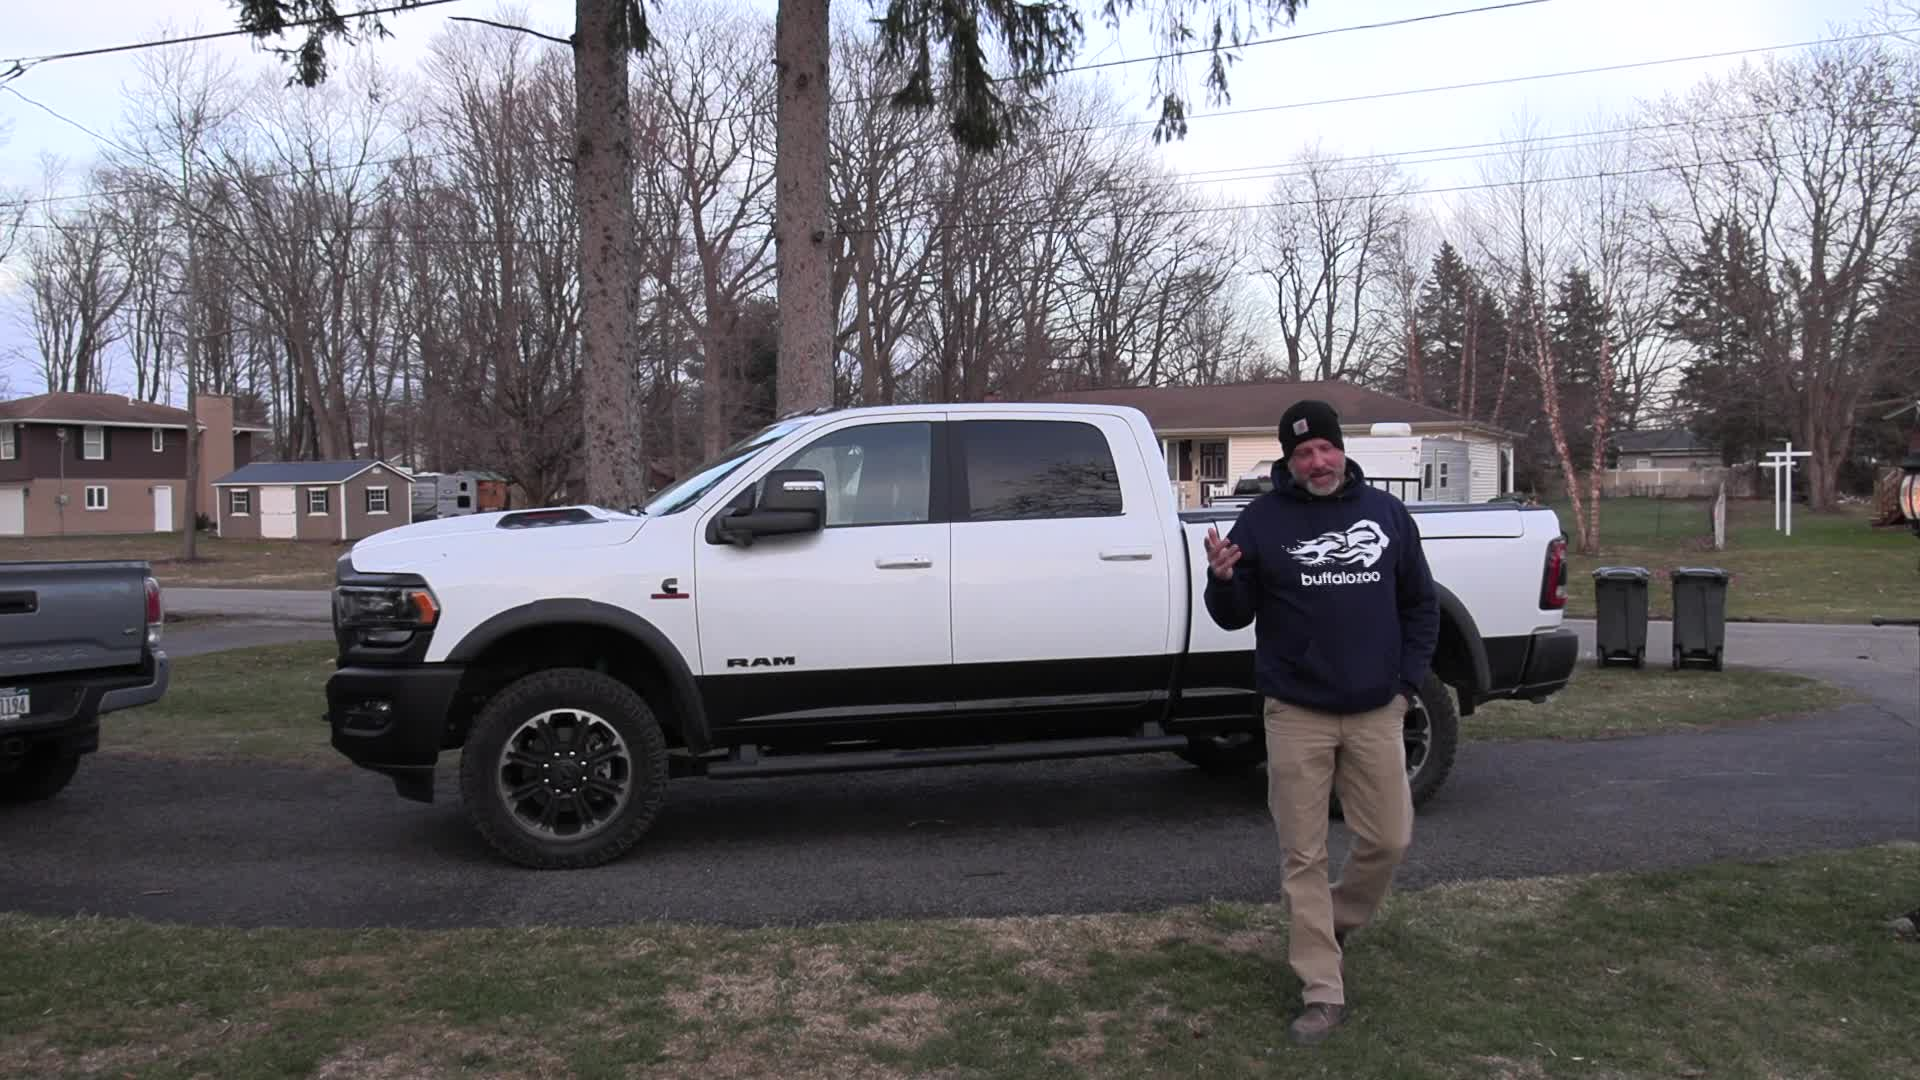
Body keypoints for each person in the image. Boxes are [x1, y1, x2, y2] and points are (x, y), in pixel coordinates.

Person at [1201, 398, 1439, 1047]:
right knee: (1302, 853)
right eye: (1303, 453)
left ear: (1341, 449)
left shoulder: (1387, 517)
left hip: (1373, 711)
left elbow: (1421, 605)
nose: (1318, 460)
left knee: (1388, 838)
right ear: (1290, 460)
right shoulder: (1263, 519)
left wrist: (1406, 685)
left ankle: (1332, 921)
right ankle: (1322, 989)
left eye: (1326, 448)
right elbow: (1233, 613)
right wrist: (1223, 579)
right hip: (1296, 713)